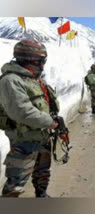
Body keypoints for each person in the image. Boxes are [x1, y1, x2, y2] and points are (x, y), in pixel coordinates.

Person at [0, 40, 60, 197]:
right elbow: (21, 111)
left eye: (43, 61)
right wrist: (50, 122)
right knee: (16, 182)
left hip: (41, 136)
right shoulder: (11, 81)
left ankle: (41, 195)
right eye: (40, 61)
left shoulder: (33, 79)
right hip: (23, 141)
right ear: (26, 60)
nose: (42, 65)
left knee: (42, 171)